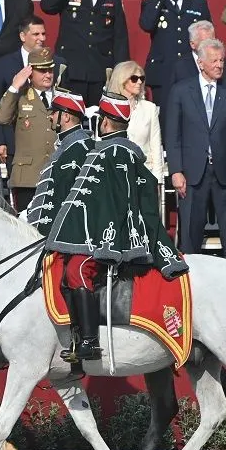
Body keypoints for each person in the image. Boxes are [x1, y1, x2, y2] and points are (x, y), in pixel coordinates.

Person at [44, 92, 187, 361]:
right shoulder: (109, 151)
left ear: (106, 123)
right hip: (100, 231)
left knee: (78, 270)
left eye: (100, 120)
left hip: (111, 236)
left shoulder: (114, 154)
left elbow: (112, 203)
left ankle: (88, 341)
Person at [163, 39, 226, 256]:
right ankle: (189, 279)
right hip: (192, 173)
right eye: (214, 61)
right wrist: (176, 170)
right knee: (191, 230)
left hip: (225, 172)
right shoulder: (181, 91)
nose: (219, 65)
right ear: (201, 63)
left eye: (221, 60)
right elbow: (173, 135)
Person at [40, 0, 130, 106]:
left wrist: (121, 70)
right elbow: (47, 6)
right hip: (72, 70)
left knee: (99, 120)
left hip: (101, 70)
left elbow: (120, 35)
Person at [139, 0, 209, 111]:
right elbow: (146, 25)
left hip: (191, 72)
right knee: (164, 119)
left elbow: (208, 37)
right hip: (164, 73)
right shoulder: (152, 2)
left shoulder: (198, 2)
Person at [0, 47, 60, 210]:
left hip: (57, 174)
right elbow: (0, 117)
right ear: (30, 71)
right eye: (42, 70)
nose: (48, 75)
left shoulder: (61, 96)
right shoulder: (20, 96)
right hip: (28, 177)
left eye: (50, 69)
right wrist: (14, 86)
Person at [25, 89, 93, 231]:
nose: (50, 117)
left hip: (59, 234)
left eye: (54, 113)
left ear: (66, 117)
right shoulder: (68, 146)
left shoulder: (76, 149)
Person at [108, 60, 164, 186]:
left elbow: (156, 147)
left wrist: (158, 180)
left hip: (143, 174)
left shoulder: (150, 108)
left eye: (141, 78)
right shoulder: (108, 108)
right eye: (134, 78)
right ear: (122, 81)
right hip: (116, 176)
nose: (139, 82)